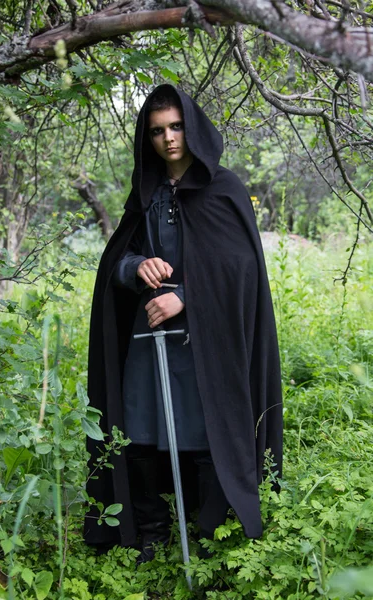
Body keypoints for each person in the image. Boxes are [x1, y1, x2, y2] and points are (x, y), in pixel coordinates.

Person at [84, 84, 283, 562]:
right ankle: (151, 533)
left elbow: (241, 270)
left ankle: (210, 531)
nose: (169, 138)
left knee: (203, 432)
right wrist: (137, 269)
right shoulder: (146, 194)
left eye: (176, 127)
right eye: (157, 131)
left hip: (204, 341)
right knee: (137, 432)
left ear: (191, 128)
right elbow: (119, 258)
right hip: (147, 338)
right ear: (146, 138)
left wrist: (186, 297)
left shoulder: (224, 188)